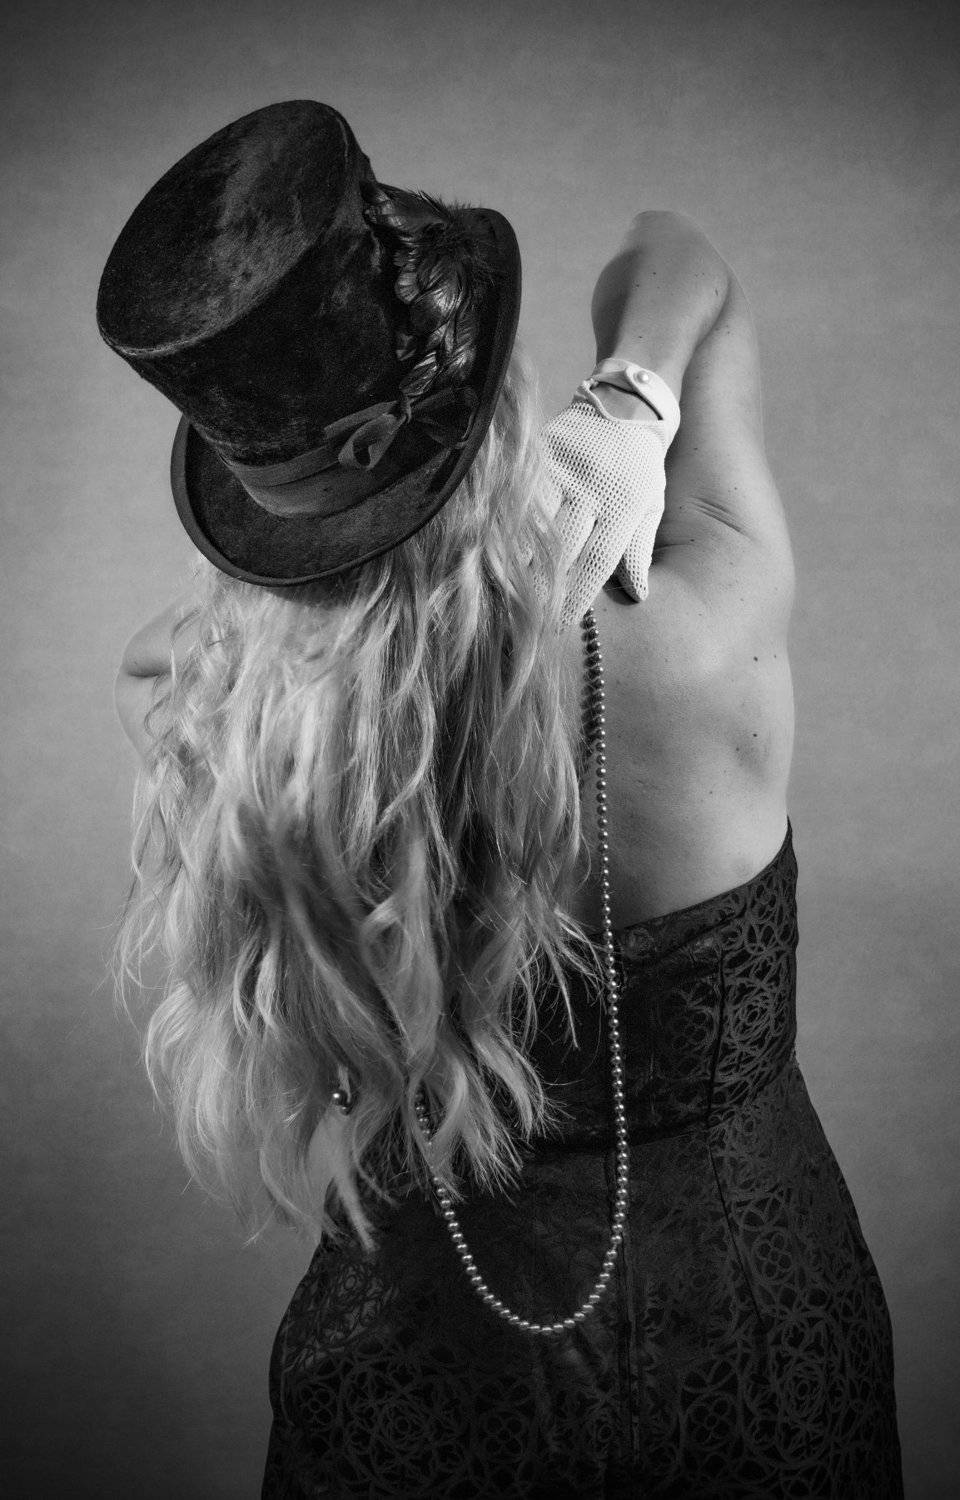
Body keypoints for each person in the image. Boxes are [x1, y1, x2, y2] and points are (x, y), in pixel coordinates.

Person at [103, 101, 904, 1498]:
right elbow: (679, 251)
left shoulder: (232, 719)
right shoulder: (709, 619)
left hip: (427, 1351)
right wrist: (632, 398)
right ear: (488, 386)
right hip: (763, 1312)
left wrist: (286, 634)